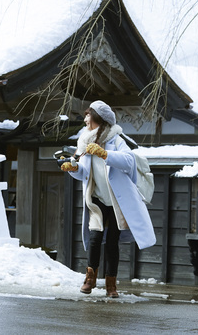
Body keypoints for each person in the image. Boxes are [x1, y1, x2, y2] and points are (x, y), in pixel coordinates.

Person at [61, 100, 156, 298]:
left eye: (89, 115)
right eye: (86, 115)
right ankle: (90, 279)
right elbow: (83, 171)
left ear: (99, 119)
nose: (85, 119)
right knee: (95, 238)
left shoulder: (116, 138)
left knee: (113, 241)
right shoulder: (84, 141)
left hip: (116, 200)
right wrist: (73, 168)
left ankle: (111, 284)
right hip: (95, 198)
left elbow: (129, 161)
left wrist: (105, 154)